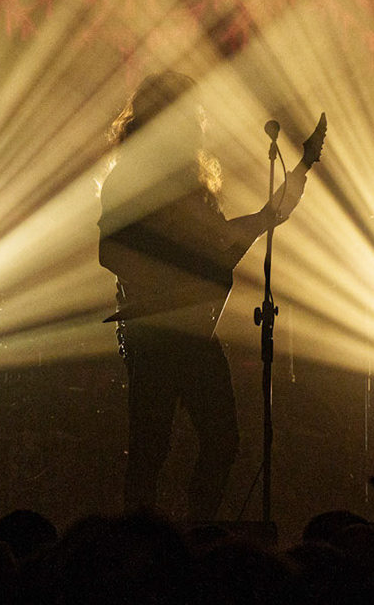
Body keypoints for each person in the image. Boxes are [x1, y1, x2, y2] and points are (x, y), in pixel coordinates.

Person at [96, 71, 324, 520]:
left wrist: (301, 170)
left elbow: (237, 234)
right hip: (155, 334)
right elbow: (111, 252)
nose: (196, 122)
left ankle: (196, 532)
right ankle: (141, 544)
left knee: (221, 442)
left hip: (195, 333)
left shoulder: (192, 184)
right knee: (150, 450)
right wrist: (171, 282)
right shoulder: (129, 178)